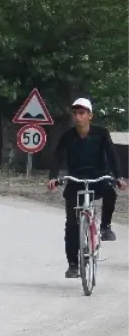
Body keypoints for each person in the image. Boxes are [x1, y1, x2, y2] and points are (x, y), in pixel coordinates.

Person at [47, 97, 128, 277]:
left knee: (110, 191)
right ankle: (73, 264)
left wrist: (119, 177)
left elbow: (112, 155)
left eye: (82, 113)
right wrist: (53, 177)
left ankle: (105, 226)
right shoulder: (68, 136)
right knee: (72, 225)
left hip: (98, 177)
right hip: (76, 180)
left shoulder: (101, 133)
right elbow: (57, 157)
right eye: (75, 113)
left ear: (90, 116)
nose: (77, 117)